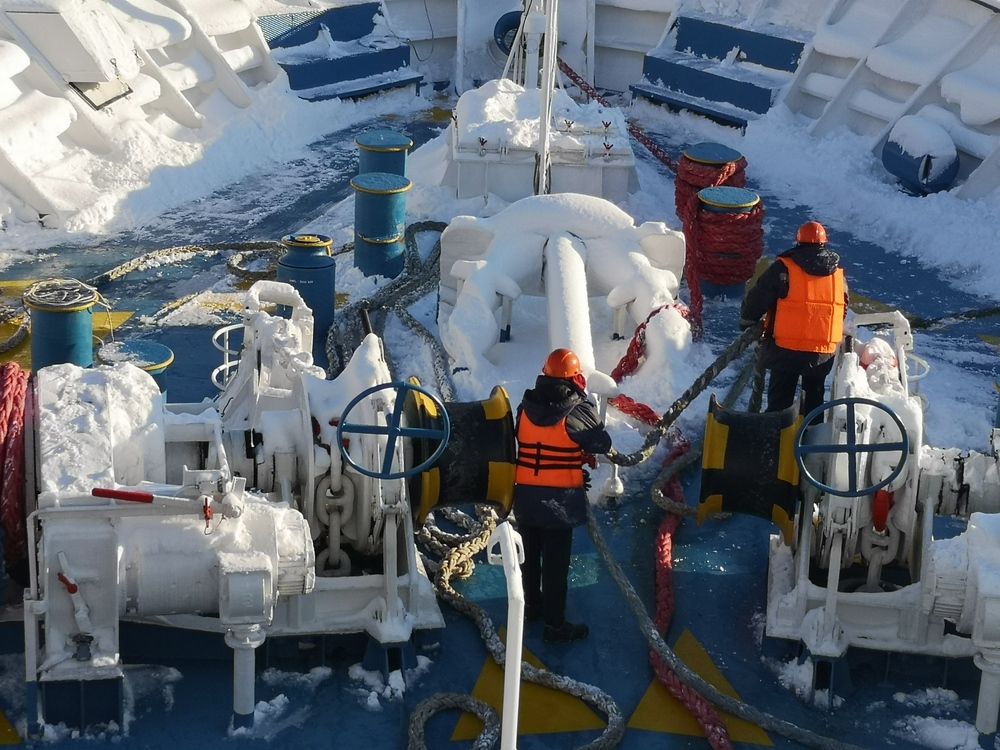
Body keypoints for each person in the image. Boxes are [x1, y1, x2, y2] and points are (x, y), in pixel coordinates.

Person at [514, 348, 612, 644]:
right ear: (576, 378)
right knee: (555, 566)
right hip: (559, 502)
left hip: (526, 497)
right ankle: (555, 626)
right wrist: (587, 404)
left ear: (544, 374)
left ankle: (531, 608)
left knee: (529, 558)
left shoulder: (525, 406)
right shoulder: (576, 410)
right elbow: (601, 442)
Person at [740, 220, 849, 418]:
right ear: (825, 243)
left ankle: (775, 442)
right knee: (814, 402)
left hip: (785, 351)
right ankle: (808, 442)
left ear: (798, 241)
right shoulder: (838, 275)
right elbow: (842, 308)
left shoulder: (784, 268)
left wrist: (748, 320)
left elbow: (759, 297)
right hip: (821, 355)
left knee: (779, 404)